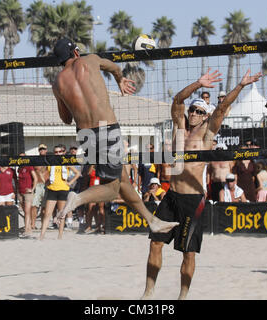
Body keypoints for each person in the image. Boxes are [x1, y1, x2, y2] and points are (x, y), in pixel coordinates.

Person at [142, 68, 262, 300]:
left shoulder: (207, 134)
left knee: (188, 253)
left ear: (205, 115)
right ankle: (148, 292)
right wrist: (198, 83)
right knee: (155, 243)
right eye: (193, 110)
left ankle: (183, 297)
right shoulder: (179, 129)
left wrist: (240, 85)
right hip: (171, 196)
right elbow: (177, 99)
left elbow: (222, 108)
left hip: (193, 200)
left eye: (199, 111)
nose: (194, 113)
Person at [50, 37, 178, 234]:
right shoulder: (90, 59)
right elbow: (114, 68)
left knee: (123, 181)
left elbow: (66, 119)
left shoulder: (58, 83)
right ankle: (77, 198)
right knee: (112, 188)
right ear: (76, 52)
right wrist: (120, 79)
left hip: (85, 134)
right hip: (106, 128)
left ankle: (152, 221)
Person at [40, 145, 80, 240]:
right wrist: (46, 182)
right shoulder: (50, 162)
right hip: (52, 189)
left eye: (60, 152)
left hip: (63, 189)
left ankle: (60, 236)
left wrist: (69, 183)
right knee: (47, 214)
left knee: (62, 214)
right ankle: (42, 235)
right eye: (56, 152)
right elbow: (40, 172)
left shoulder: (66, 162)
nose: (58, 153)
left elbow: (78, 173)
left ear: (64, 152)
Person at [17, 153, 38, 236]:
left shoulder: (29, 166)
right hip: (20, 192)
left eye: (23, 157)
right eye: (20, 157)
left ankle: (27, 229)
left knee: (27, 211)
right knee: (24, 211)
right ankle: (28, 227)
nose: (22, 159)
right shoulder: (19, 168)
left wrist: (32, 189)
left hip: (27, 192)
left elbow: (35, 178)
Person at [31, 143, 50, 230]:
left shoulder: (50, 159)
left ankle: (43, 225)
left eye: (43, 149)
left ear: (46, 150)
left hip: (47, 185)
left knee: (45, 207)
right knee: (34, 206)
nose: (42, 150)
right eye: (40, 149)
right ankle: (33, 224)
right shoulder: (36, 160)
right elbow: (37, 170)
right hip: (38, 184)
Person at [85, 165, 105, 234]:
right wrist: (92, 165)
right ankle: (89, 226)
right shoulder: (92, 167)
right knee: (90, 208)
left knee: (101, 208)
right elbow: (89, 174)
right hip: (92, 190)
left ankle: (101, 225)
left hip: (100, 190)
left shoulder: (103, 168)